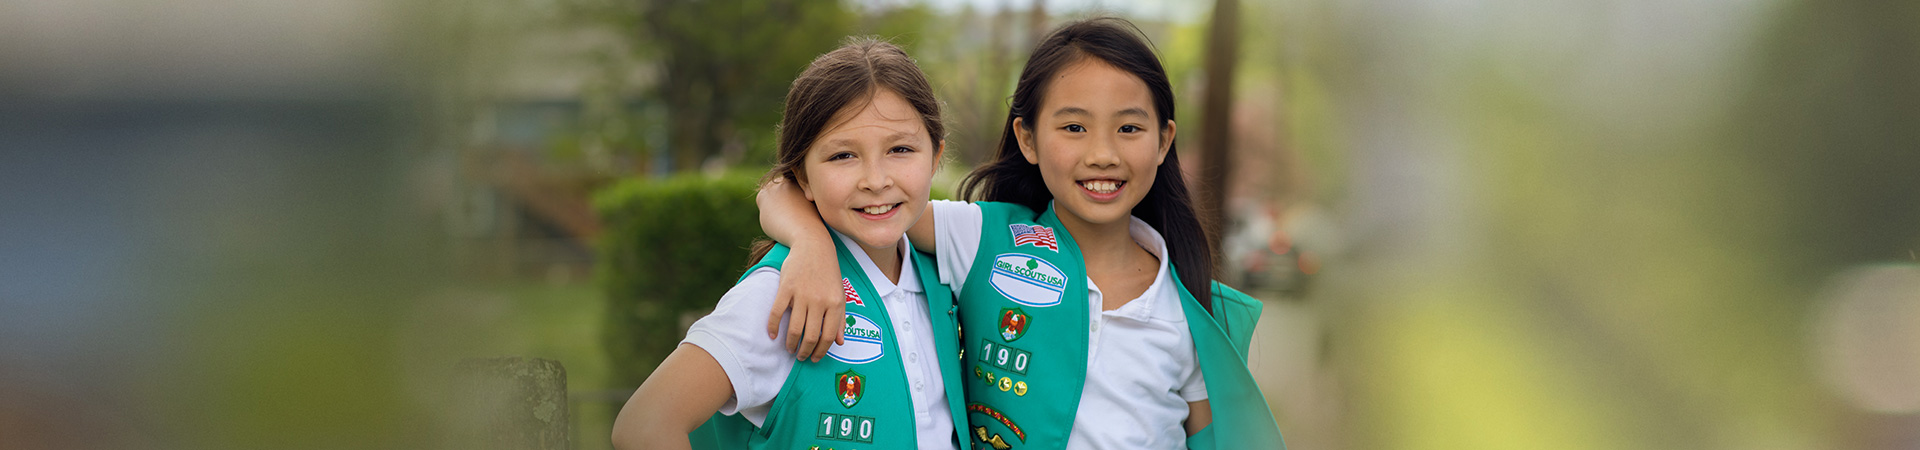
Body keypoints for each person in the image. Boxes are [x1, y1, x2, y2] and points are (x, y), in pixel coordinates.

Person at [758, 17, 1285, 450]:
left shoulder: (1189, 304)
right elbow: (810, 194)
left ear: (1164, 140)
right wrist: (809, 246)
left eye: (1129, 127)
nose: (1103, 153)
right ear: (1027, 139)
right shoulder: (980, 241)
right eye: (1073, 127)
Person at [611, 37, 967, 450]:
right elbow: (643, 425)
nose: (876, 179)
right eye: (842, 156)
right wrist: (810, 242)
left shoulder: (946, 270)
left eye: (900, 149)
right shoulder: (780, 293)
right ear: (802, 177)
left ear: (936, 156)